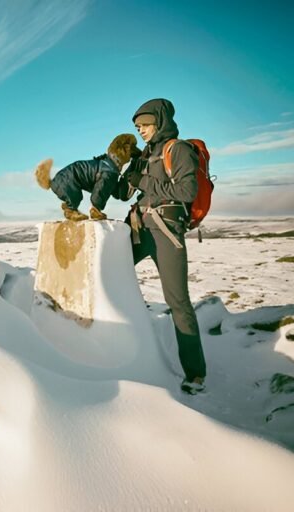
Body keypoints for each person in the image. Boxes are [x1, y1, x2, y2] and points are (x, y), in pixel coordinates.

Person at [121, 98, 207, 395]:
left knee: (178, 302)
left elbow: (186, 190)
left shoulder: (177, 149)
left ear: (159, 122)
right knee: (104, 276)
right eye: (136, 126)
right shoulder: (145, 154)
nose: (140, 130)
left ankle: (195, 374)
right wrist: (114, 167)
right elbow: (125, 192)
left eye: (145, 124)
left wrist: (144, 180)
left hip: (166, 231)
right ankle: (108, 351)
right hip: (137, 228)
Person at [35, 134, 141, 221]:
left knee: (103, 186)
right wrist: (96, 208)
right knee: (76, 196)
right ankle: (72, 210)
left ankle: (69, 206)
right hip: (66, 181)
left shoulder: (108, 166)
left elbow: (112, 189)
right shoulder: (108, 171)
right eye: (132, 148)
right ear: (125, 149)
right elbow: (101, 189)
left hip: (64, 180)